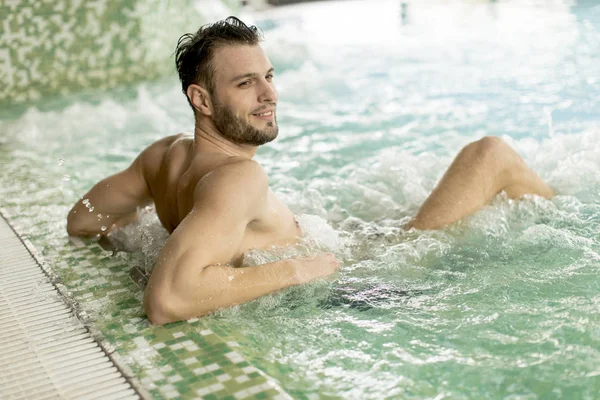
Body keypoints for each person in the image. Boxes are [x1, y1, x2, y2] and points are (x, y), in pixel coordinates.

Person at [66, 17, 554, 325]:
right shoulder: (238, 178)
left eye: (269, 76)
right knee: (490, 154)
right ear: (201, 99)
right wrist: (303, 268)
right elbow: (167, 301)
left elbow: (84, 218)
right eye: (245, 83)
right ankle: (567, 215)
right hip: (368, 271)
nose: (269, 94)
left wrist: (141, 245)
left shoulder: (164, 157)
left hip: (334, 241)